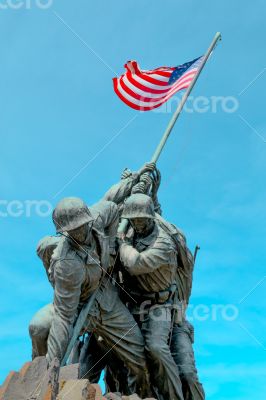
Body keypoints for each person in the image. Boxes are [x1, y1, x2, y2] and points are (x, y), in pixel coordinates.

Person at [48, 196, 150, 397]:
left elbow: (112, 208)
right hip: (81, 307)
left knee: (138, 349)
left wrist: (111, 245)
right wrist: (53, 365)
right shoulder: (66, 263)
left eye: (81, 226)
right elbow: (63, 316)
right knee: (47, 333)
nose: (79, 231)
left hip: (107, 300)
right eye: (72, 230)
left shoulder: (98, 216)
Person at [119, 193, 184, 400]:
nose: (137, 224)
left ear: (151, 217)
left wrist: (122, 244)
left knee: (156, 348)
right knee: (127, 353)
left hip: (159, 305)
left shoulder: (163, 242)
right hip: (132, 304)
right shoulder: (131, 232)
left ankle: (175, 397)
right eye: (133, 219)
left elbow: (137, 264)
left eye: (141, 219)